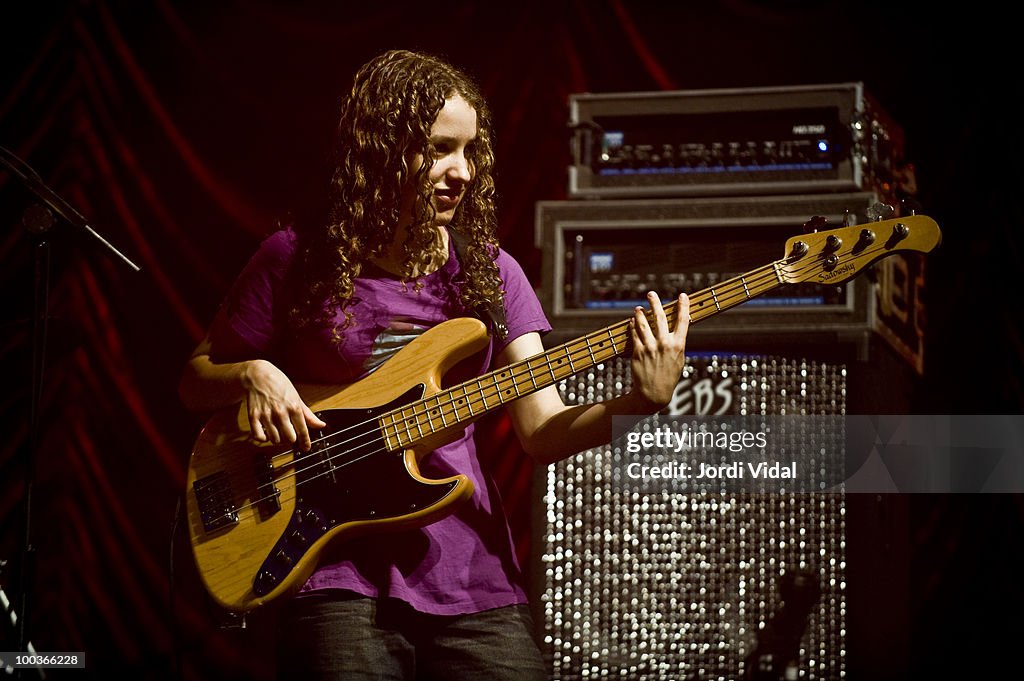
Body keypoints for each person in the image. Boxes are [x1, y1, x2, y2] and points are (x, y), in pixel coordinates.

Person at [178, 49, 690, 681]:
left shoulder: (491, 273)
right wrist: (252, 374)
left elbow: (542, 430)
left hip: (468, 574)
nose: (463, 172)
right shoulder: (295, 256)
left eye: (470, 151)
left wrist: (636, 403)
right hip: (331, 570)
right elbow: (194, 380)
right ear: (381, 150)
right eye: (440, 150)